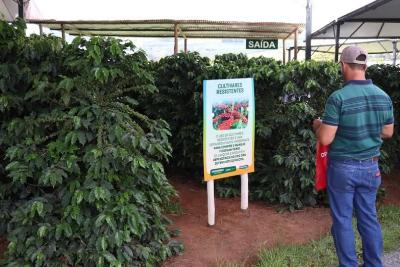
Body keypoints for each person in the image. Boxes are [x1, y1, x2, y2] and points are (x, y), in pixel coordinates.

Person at [313, 46, 394, 267]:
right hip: (371, 168)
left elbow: (326, 139)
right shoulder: (383, 96)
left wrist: (318, 125)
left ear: (343, 66)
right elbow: (388, 132)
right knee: (369, 219)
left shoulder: (338, 97)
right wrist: (367, 127)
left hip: (343, 169)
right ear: (365, 66)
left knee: (342, 221)